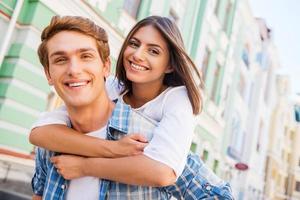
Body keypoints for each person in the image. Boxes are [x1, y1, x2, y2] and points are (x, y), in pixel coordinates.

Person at [31, 15, 233, 199]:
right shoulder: (112, 87)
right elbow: (39, 135)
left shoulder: (153, 135)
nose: (74, 70)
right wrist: (113, 149)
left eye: (86, 56)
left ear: (105, 66)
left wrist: (85, 166)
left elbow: (164, 173)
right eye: (134, 44)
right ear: (48, 74)